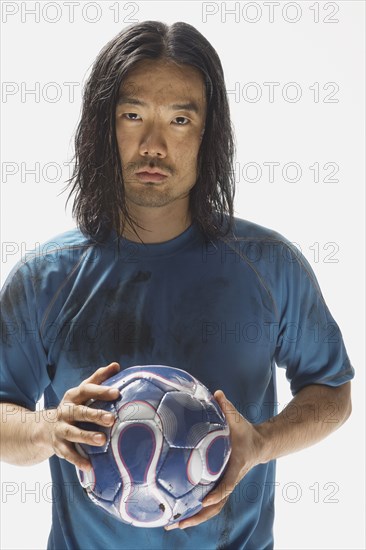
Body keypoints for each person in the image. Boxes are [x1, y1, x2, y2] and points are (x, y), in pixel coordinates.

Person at [0, 20, 354, 550]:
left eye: (180, 119)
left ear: (209, 134)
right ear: (103, 127)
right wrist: (50, 427)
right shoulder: (45, 279)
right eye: (133, 115)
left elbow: (333, 392)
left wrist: (262, 443)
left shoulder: (269, 265)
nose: (153, 145)